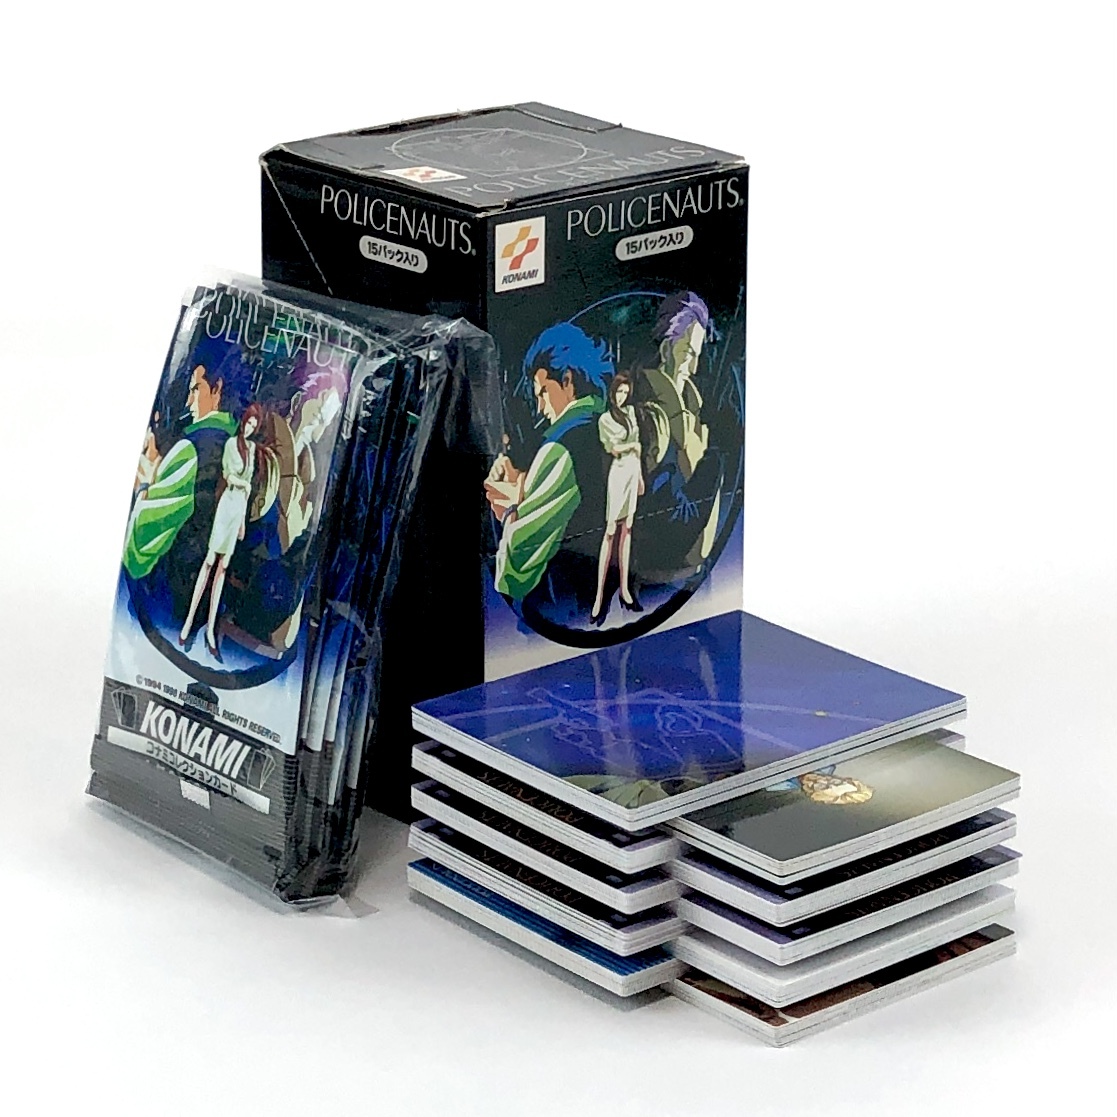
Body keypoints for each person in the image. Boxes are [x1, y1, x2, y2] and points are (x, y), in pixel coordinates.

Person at [485, 323, 611, 609]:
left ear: (567, 380)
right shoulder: (606, 421)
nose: (542, 408)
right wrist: (524, 485)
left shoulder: (560, 448)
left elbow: (515, 574)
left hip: (571, 606)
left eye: (543, 393)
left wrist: (510, 510)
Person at [178, 404, 264, 658]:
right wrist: (243, 485)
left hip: (238, 508)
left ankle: (210, 630)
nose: (250, 428)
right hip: (227, 504)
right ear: (243, 422)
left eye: (254, 425)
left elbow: (248, 488)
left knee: (223, 569)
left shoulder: (252, 449)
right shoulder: (230, 444)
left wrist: (242, 522)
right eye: (248, 423)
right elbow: (228, 474)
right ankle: (188, 622)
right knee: (209, 561)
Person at [591, 373, 644, 623]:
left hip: (633, 471)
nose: (622, 397)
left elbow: (639, 445)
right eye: (619, 392)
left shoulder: (631, 413)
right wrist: (631, 447)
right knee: (610, 531)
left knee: (628, 528)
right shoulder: (605, 419)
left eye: (625, 392)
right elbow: (611, 448)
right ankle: (599, 596)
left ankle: (624, 588)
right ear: (612, 393)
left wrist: (640, 476)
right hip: (619, 473)